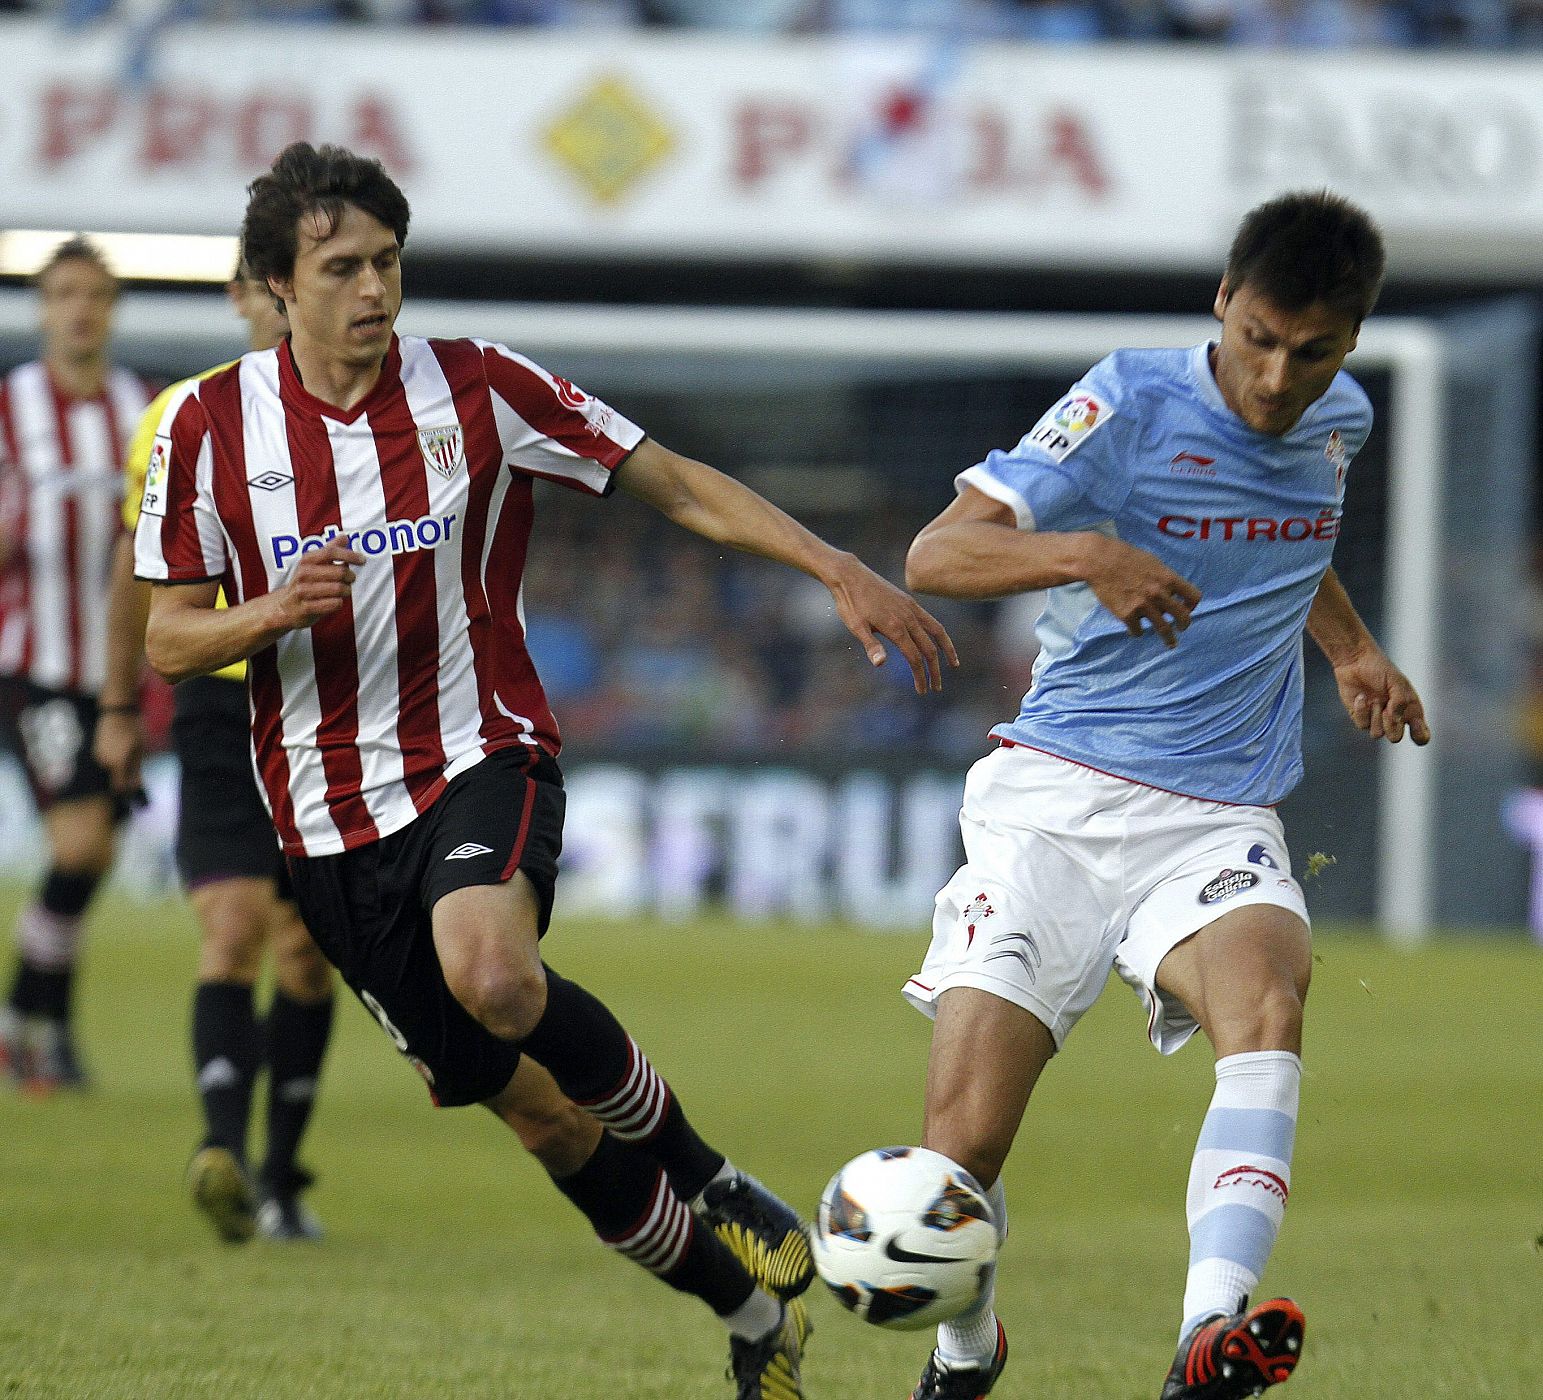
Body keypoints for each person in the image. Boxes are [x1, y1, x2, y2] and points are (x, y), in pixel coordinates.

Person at [134, 141, 956, 1398]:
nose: (373, 289)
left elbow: (671, 482)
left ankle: (707, 1167)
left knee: (495, 970)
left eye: (388, 261)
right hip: (325, 825)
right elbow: (167, 634)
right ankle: (749, 1317)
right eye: (341, 267)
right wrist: (264, 616)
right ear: (273, 286)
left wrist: (836, 565)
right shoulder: (203, 424)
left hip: (482, 749)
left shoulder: (479, 387)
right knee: (541, 1116)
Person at [899, 191, 1430, 1400]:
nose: (1277, 376)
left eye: (1311, 351)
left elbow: (1296, 535)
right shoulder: (1127, 402)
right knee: (963, 1146)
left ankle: (1206, 1337)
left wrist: (1347, 648)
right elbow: (937, 553)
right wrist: (1087, 549)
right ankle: (964, 1349)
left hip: (1216, 816)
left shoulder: (1339, 419)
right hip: (1051, 806)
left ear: (1348, 345)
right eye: (1257, 337)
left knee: (1267, 1008)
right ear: (1221, 305)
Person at [94, 261, 338, 1243]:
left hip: (330, 708)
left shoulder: (366, 418)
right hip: (220, 705)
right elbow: (137, 577)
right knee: (232, 928)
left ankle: (282, 1174)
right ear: (243, 293)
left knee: (309, 958)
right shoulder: (174, 419)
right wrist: (118, 703)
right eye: (266, 283)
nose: (279, 304)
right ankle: (225, 1151)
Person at [0, 237, 153, 1092]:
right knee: (81, 841)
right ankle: (35, 1025)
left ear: (112, 307)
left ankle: (33, 1023)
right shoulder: (9, 407)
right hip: (36, 665)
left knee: (95, 856)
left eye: (94, 293)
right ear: (43, 307)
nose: (80, 308)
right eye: (63, 293)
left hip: (122, 677)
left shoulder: (140, 408)